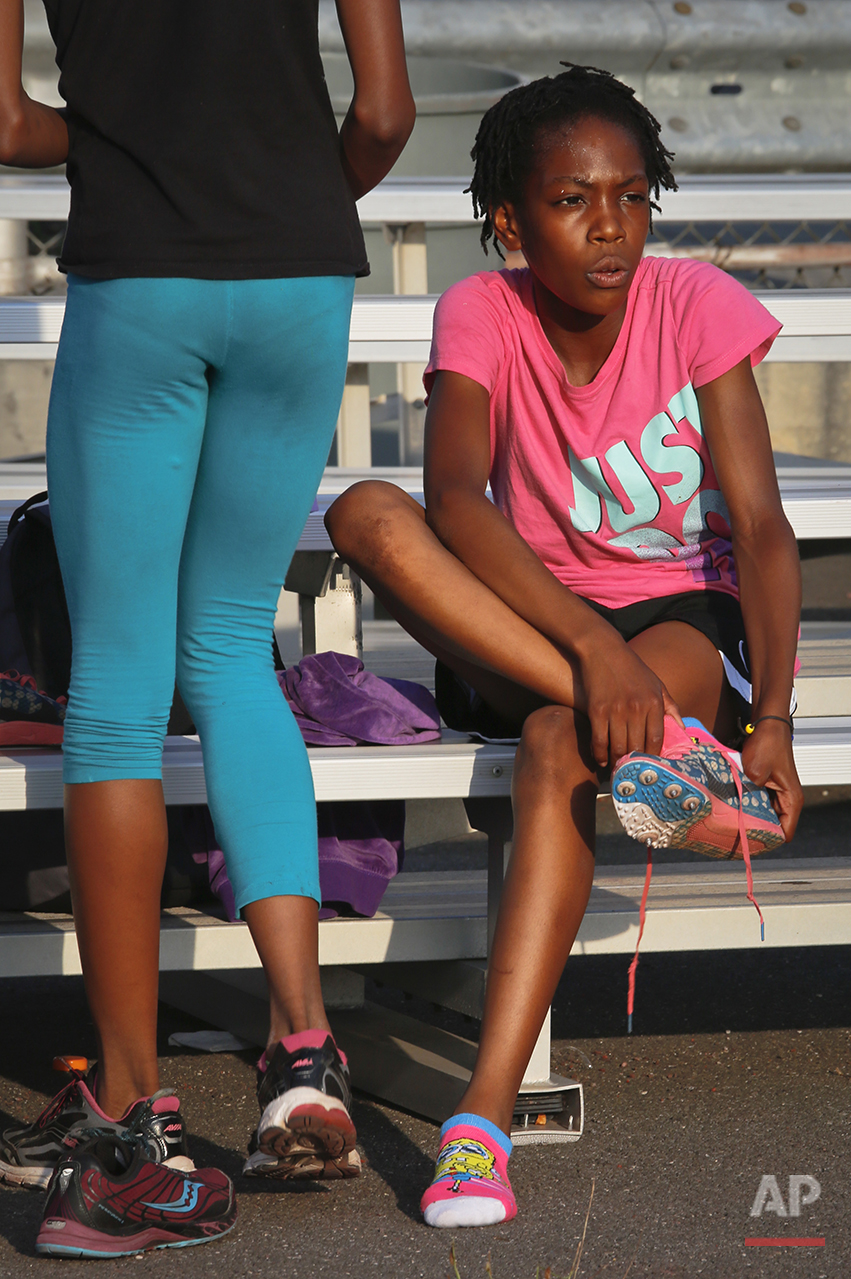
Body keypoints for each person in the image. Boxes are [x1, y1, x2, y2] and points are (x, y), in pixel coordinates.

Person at [325, 63, 803, 1229]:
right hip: (534, 622)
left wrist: (776, 718)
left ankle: (477, 1125)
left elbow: (758, 525)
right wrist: (589, 646)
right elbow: (457, 498)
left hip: (681, 622)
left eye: (633, 197)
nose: (611, 228)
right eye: (575, 200)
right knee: (366, 512)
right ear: (507, 219)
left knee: (553, 746)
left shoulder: (693, 302)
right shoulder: (480, 312)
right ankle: (677, 754)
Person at [0, 0, 414, 1247]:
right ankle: (302, 1049)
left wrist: (128, 147)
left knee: (120, 695)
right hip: (297, 273)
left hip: (142, 278)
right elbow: (385, 113)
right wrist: (276, 187)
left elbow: (5, 120)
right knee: (233, 652)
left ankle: (132, 1109)